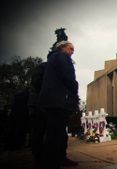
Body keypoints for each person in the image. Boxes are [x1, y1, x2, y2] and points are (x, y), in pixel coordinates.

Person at [38, 41, 79, 169]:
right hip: (59, 101)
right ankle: (52, 162)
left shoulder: (51, 60)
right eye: (70, 48)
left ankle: (58, 158)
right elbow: (69, 78)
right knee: (55, 134)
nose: (72, 51)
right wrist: (75, 90)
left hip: (51, 101)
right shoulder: (62, 57)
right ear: (62, 47)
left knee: (57, 133)